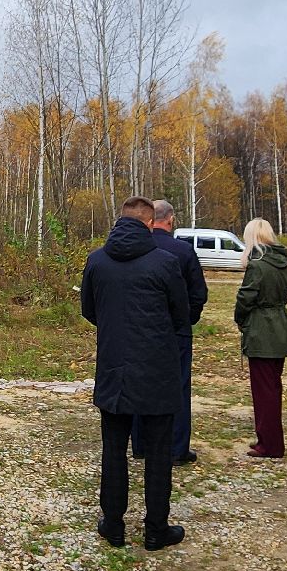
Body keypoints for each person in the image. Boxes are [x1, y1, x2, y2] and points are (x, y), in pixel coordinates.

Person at [81, 196, 191, 552]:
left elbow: (89, 310)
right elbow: (181, 315)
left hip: (114, 368)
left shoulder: (97, 261)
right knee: (158, 453)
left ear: (120, 221)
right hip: (157, 370)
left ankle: (113, 525)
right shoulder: (166, 262)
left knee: (113, 449)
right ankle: (155, 529)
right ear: (149, 224)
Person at [132, 199, 208, 464]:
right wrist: (187, 321)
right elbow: (198, 294)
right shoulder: (183, 251)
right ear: (171, 219)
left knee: (140, 384)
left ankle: (141, 444)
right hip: (175, 332)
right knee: (178, 388)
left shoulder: (137, 248)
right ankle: (176, 449)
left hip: (140, 330)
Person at [233, 218, 287, 458]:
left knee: (264, 391)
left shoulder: (257, 266)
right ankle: (268, 439)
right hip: (280, 328)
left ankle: (270, 445)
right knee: (273, 388)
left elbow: (245, 298)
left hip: (263, 332)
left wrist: (241, 319)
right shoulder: (283, 264)